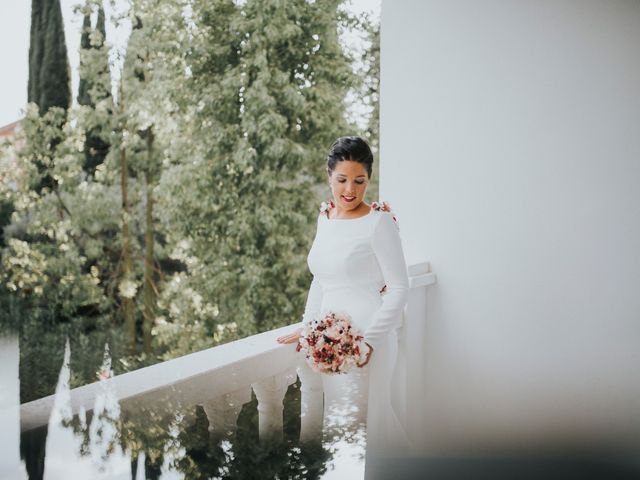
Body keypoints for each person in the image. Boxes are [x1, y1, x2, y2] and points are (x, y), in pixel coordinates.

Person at [276, 136, 413, 469]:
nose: (349, 189)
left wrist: (368, 342)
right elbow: (321, 279)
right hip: (329, 342)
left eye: (359, 180)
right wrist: (308, 327)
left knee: (367, 430)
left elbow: (399, 287)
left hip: (369, 341)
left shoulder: (379, 223)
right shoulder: (326, 218)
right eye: (342, 180)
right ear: (329, 176)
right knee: (341, 432)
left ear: (369, 179)